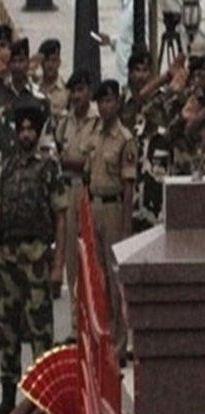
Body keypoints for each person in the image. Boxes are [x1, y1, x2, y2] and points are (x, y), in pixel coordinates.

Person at [0, 99, 66, 414]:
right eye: (22, 129)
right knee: (7, 329)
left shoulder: (48, 169)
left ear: (38, 132)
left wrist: (58, 266)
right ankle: (8, 398)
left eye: (31, 129)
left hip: (37, 258)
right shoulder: (8, 168)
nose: (26, 134)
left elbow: (61, 217)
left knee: (40, 330)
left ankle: (44, 402)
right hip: (8, 258)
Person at [83, 79, 136, 366]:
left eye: (110, 101)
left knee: (116, 282)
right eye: (101, 101)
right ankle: (102, 339)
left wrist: (126, 226)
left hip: (114, 208)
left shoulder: (124, 139)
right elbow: (87, 174)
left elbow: (128, 186)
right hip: (95, 206)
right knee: (98, 277)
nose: (105, 107)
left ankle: (119, 343)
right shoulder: (94, 136)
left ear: (117, 103)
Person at [54, 69, 98, 299]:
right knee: (71, 254)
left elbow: (94, 161)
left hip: (87, 190)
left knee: (91, 255)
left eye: (81, 90)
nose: (76, 96)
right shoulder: (65, 122)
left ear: (89, 91)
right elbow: (55, 153)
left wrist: (71, 161)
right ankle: (74, 314)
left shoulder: (97, 120)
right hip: (67, 190)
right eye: (73, 91)